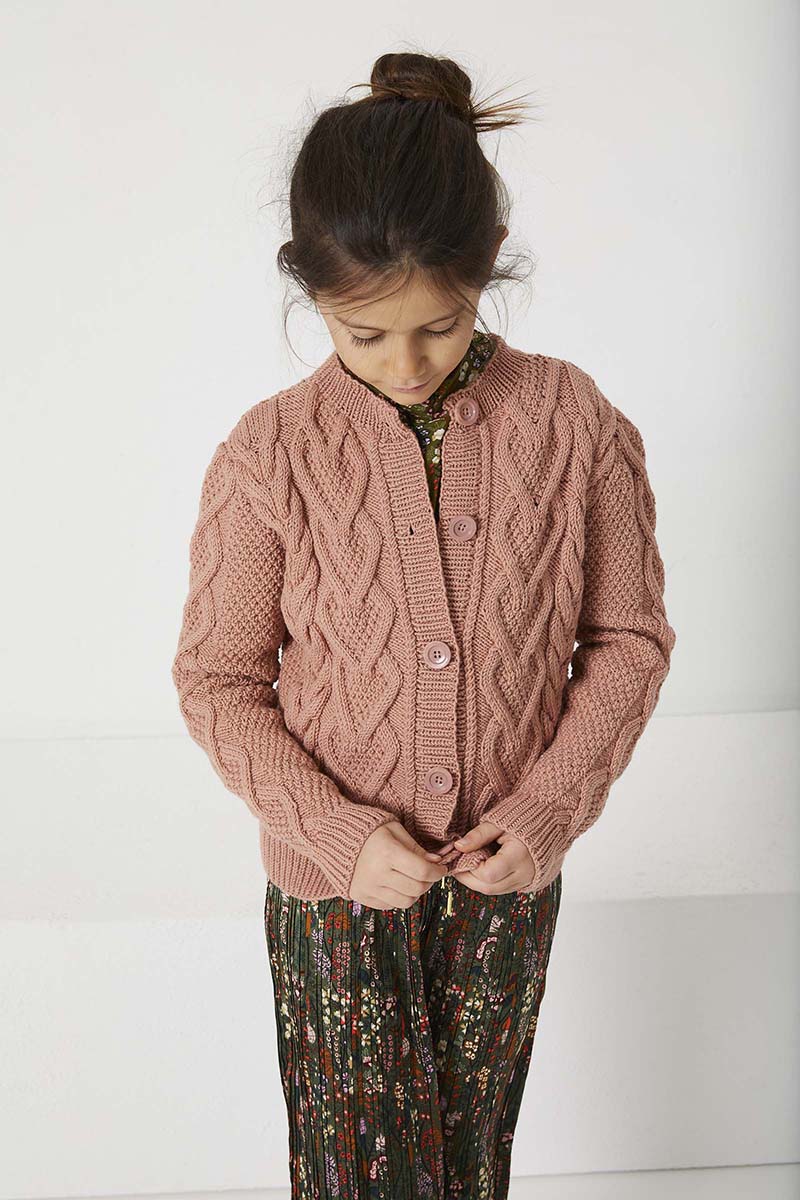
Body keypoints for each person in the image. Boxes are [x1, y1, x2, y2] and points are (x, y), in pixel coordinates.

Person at [171, 49, 677, 1200]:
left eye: (438, 328)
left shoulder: (574, 424)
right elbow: (218, 681)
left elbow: (627, 641)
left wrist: (546, 811)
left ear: (486, 263)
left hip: (504, 881)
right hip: (333, 895)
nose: (404, 364)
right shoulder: (269, 453)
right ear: (310, 292)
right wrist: (333, 833)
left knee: (468, 1165)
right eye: (363, 335)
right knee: (354, 1177)